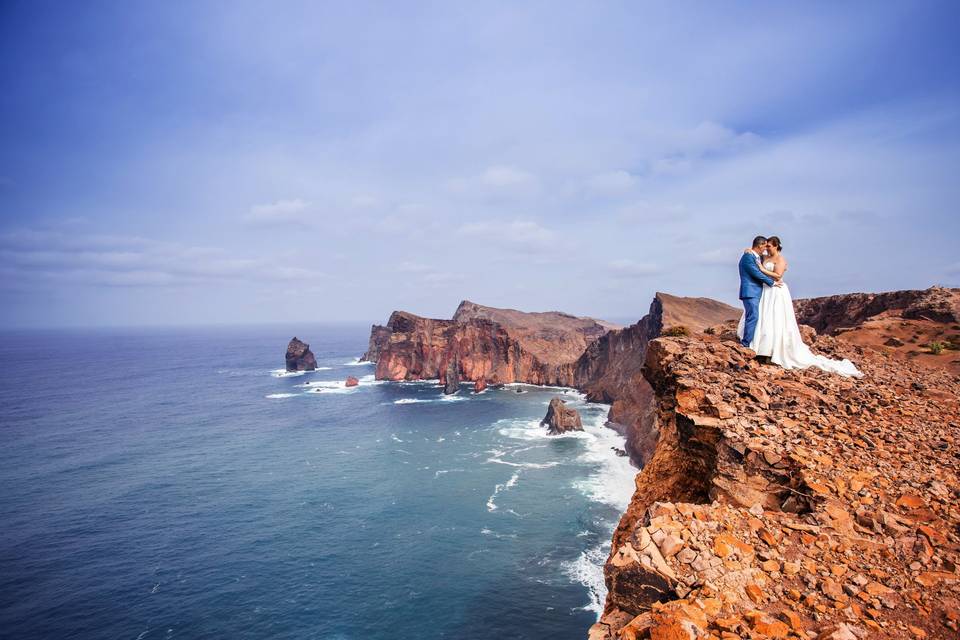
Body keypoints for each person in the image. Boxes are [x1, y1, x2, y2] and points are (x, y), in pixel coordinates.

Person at [737, 236, 863, 377]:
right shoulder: (761, 256)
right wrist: (748, 250)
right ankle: (757, 347)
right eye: (765, 246)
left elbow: (777, 276)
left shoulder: (780, 260)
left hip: (775, 289)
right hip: (765, 291)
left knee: (776, 319)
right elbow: (754, 258)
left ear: (776, 246)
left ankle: (770, 350)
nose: (766, 248)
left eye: (769, 246)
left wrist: (765, 273)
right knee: (764, 318)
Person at [737, 235, 777, 349]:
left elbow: (770, 256)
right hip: (750, 291)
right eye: (765, 246)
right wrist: (772, 283)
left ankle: (750, 343)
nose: (766, 249)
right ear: (759, 245)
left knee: (753, 316)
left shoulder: (755, 256)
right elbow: (756, 273)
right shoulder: (748, 257)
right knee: (753, 316)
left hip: (755, 292)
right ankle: (745, 344)